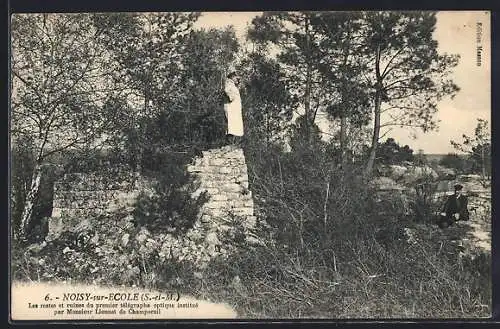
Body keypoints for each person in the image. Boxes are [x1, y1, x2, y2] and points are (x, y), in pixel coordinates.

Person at [223, 71, 244, 146]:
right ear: (232, 77)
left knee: (234, 126)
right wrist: (231, 97)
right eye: (236, 78)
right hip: (230, 108)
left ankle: (232, 143)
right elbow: (227, 91)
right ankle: (229, 143)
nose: (237, 79)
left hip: (233, 108)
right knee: (231, 125)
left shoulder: (233, 85)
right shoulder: (229, 83)